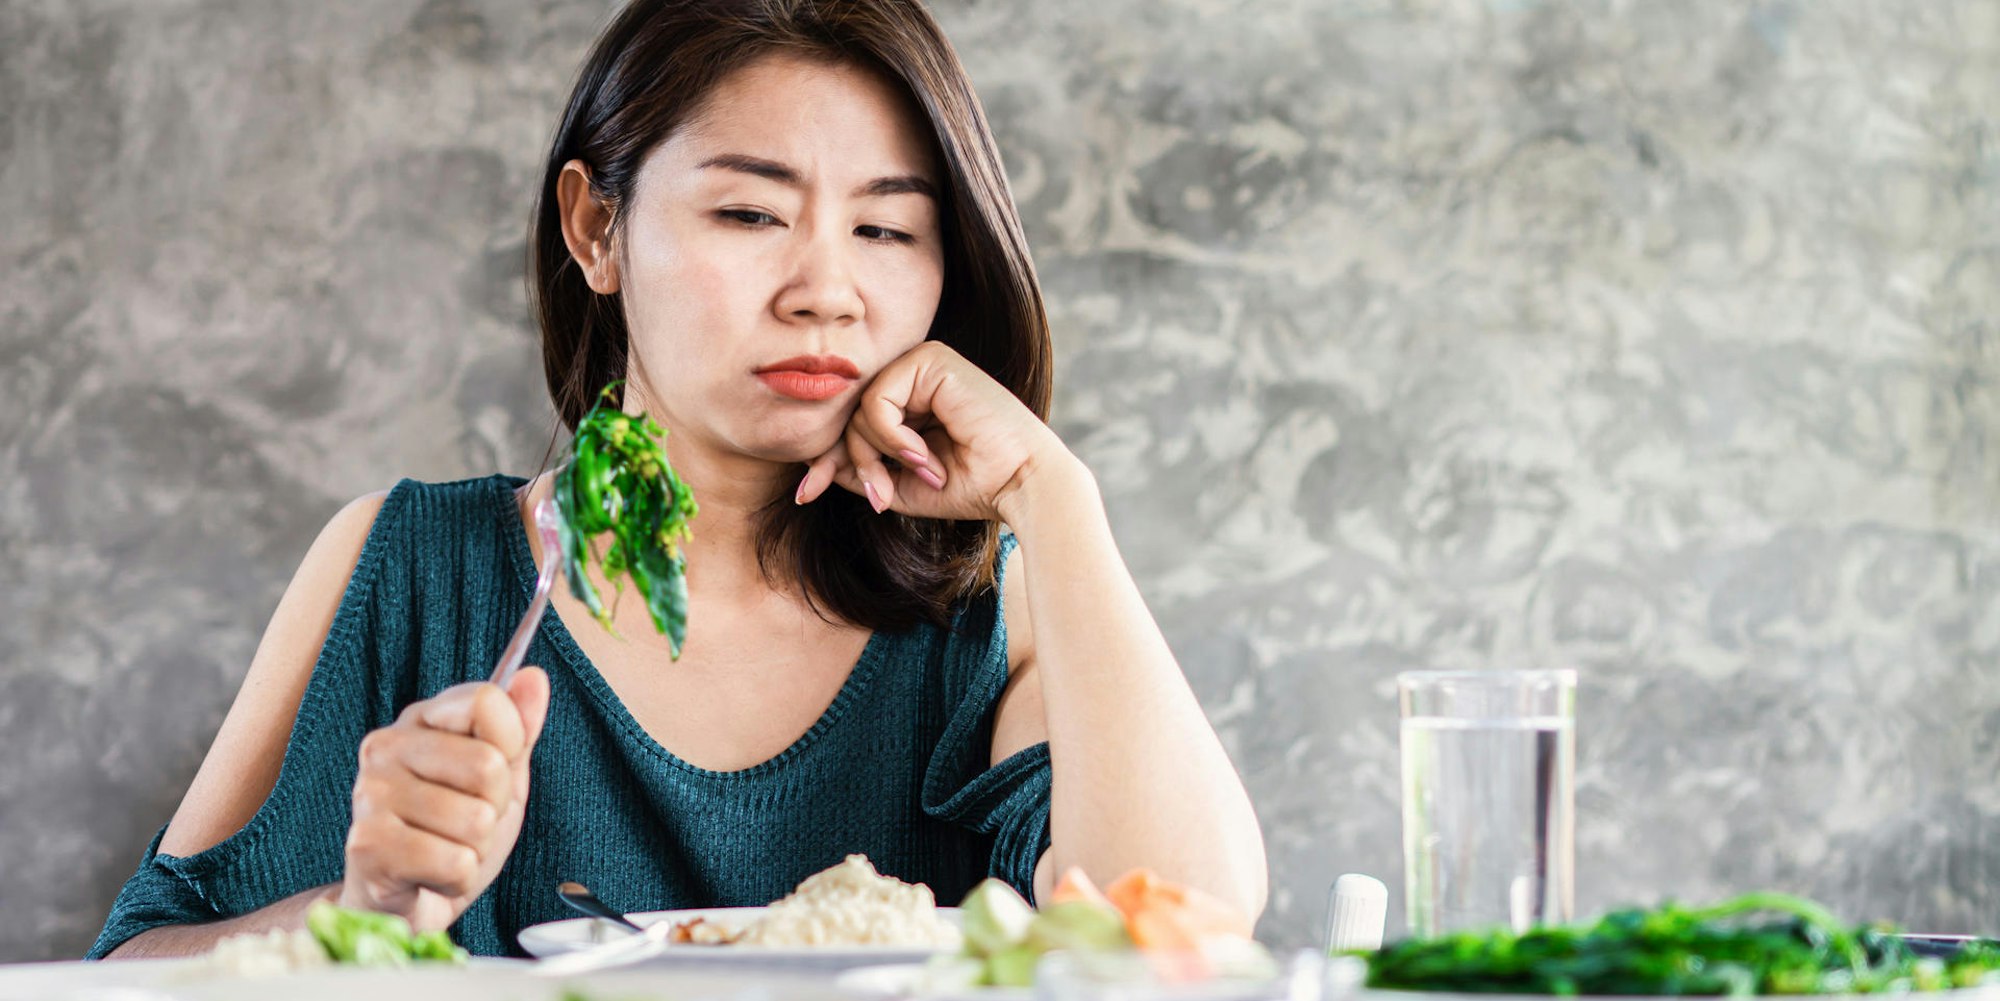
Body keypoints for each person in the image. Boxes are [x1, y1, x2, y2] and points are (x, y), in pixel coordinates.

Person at [93, 0, 1266, 959]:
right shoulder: (406, 569)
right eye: (750, 211)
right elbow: (118, 976)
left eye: (887, 231)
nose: (825, 289)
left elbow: (1180, 927)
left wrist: (1056, 502)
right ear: (595, 228)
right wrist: (356, 913)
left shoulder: (987, 614)